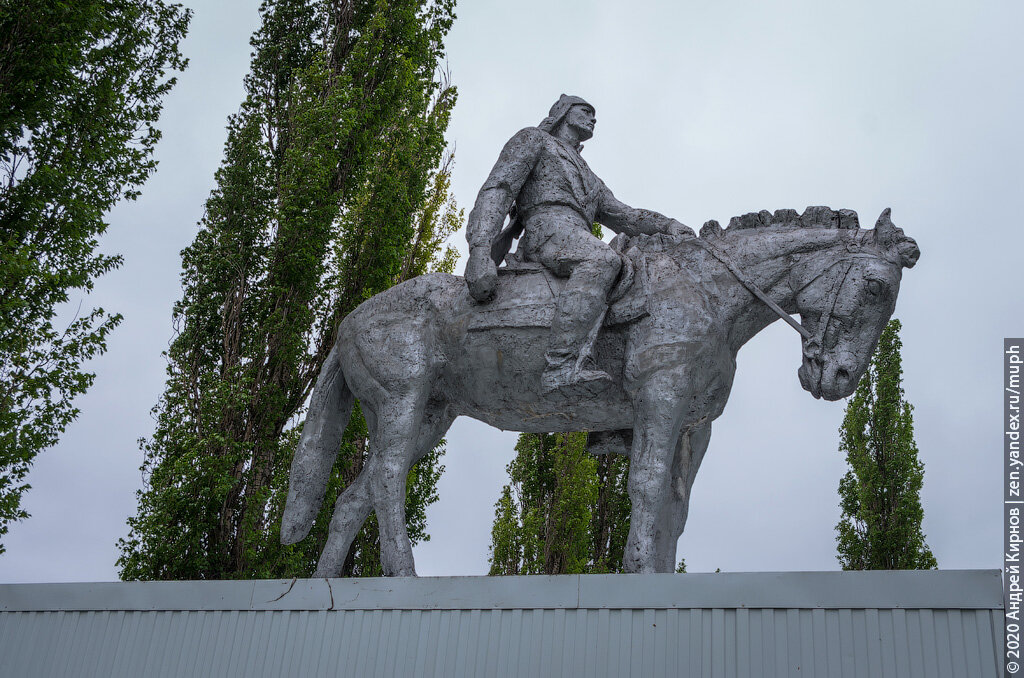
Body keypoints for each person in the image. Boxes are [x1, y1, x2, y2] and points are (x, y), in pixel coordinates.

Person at [465, 94, 693, 392]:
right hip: (546, 227)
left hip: (576, 235)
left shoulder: (590, 177)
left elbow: (626, 216)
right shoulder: (533, 139)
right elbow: (499, 188)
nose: (593, 118)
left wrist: (668, 225)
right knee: (603, 260)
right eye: (586, 110)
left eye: (594, 113)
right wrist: (480, 248)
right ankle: (561, 366)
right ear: (563, 112)